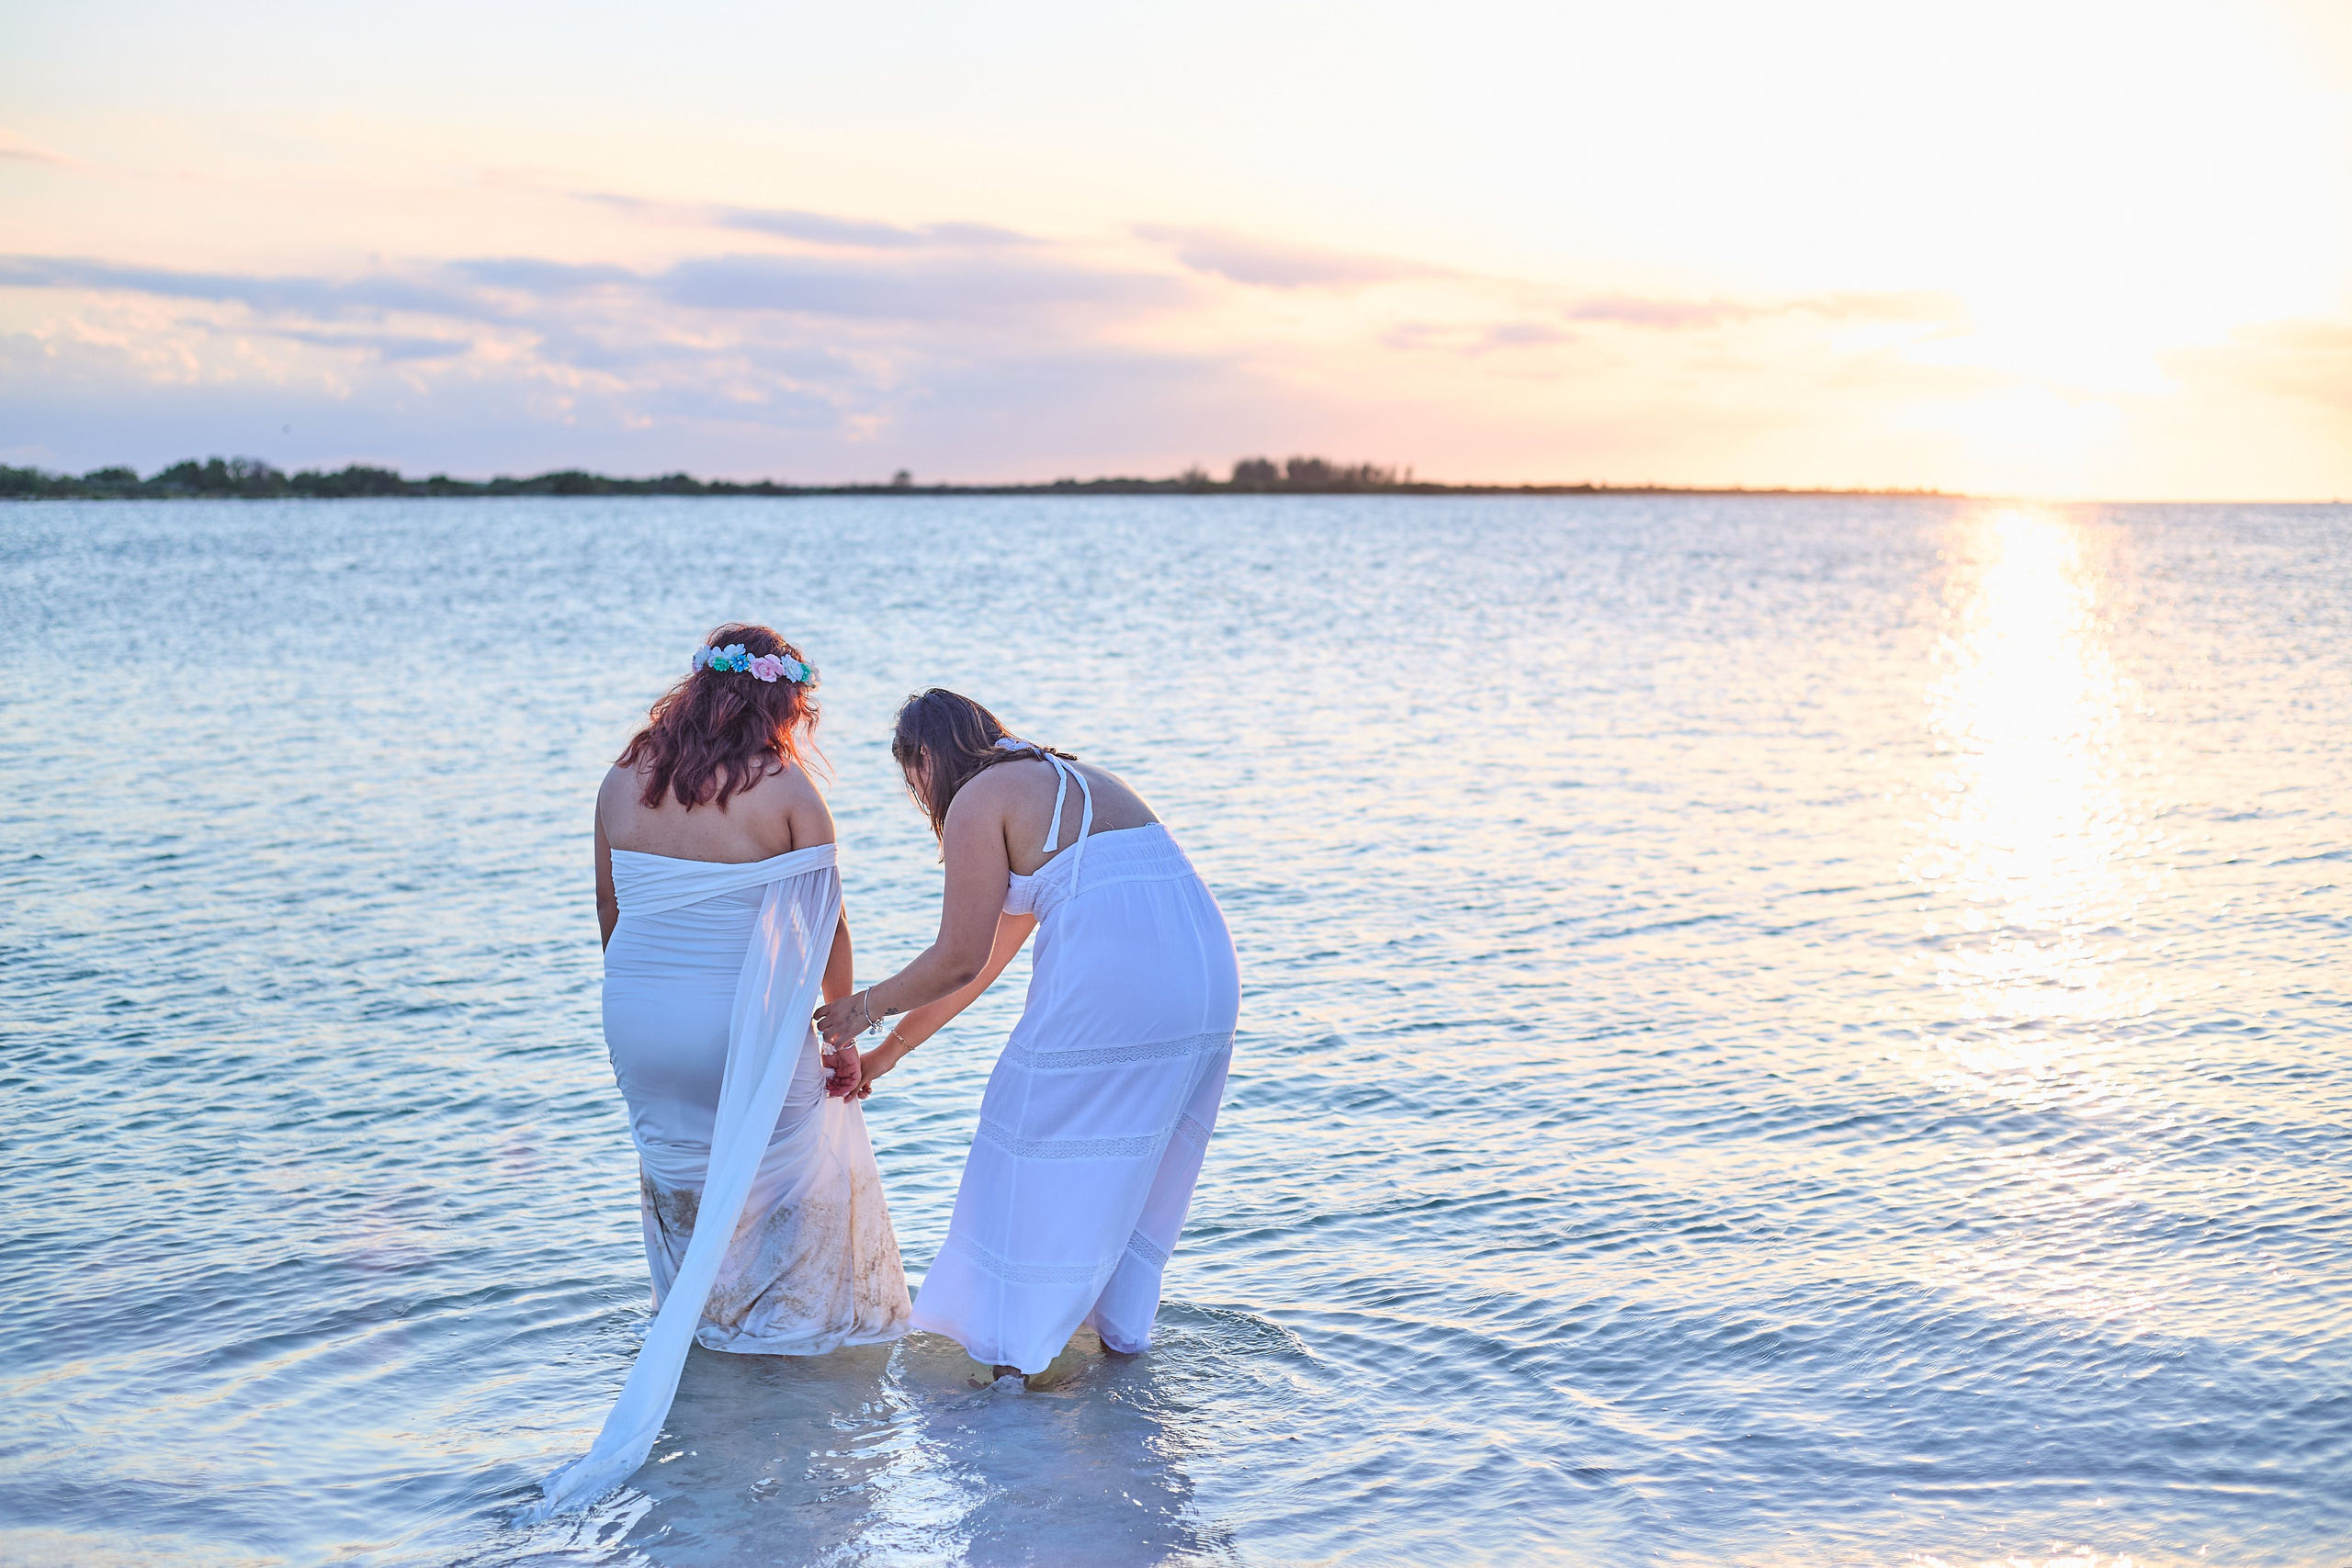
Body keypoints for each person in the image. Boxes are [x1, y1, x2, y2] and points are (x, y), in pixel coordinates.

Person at [539, 625, 909, 1516]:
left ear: (696, 692)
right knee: (793, 1185)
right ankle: (787, 1368)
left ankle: (701, 1350)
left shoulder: (622, 779)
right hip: (738, 1023)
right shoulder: (787, 791)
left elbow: (608, 905)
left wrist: (640, 1001)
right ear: (781, 705)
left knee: (679, 1174)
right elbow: (828, 925)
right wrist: (843, 1037)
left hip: (637, 1013)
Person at [814, 689, 1238, 1381]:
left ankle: (1010, 1366)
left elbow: (958, 955)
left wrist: (862, 1009)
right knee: (1127, 1168)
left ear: (926, 758)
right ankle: (1114, 1355)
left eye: (911, 776)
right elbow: (981, 965)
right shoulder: (1071, 779)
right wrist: (887, 1053)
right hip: (1206, 982)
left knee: (1022, 1144)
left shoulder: (978, 798)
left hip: (1125, 986)